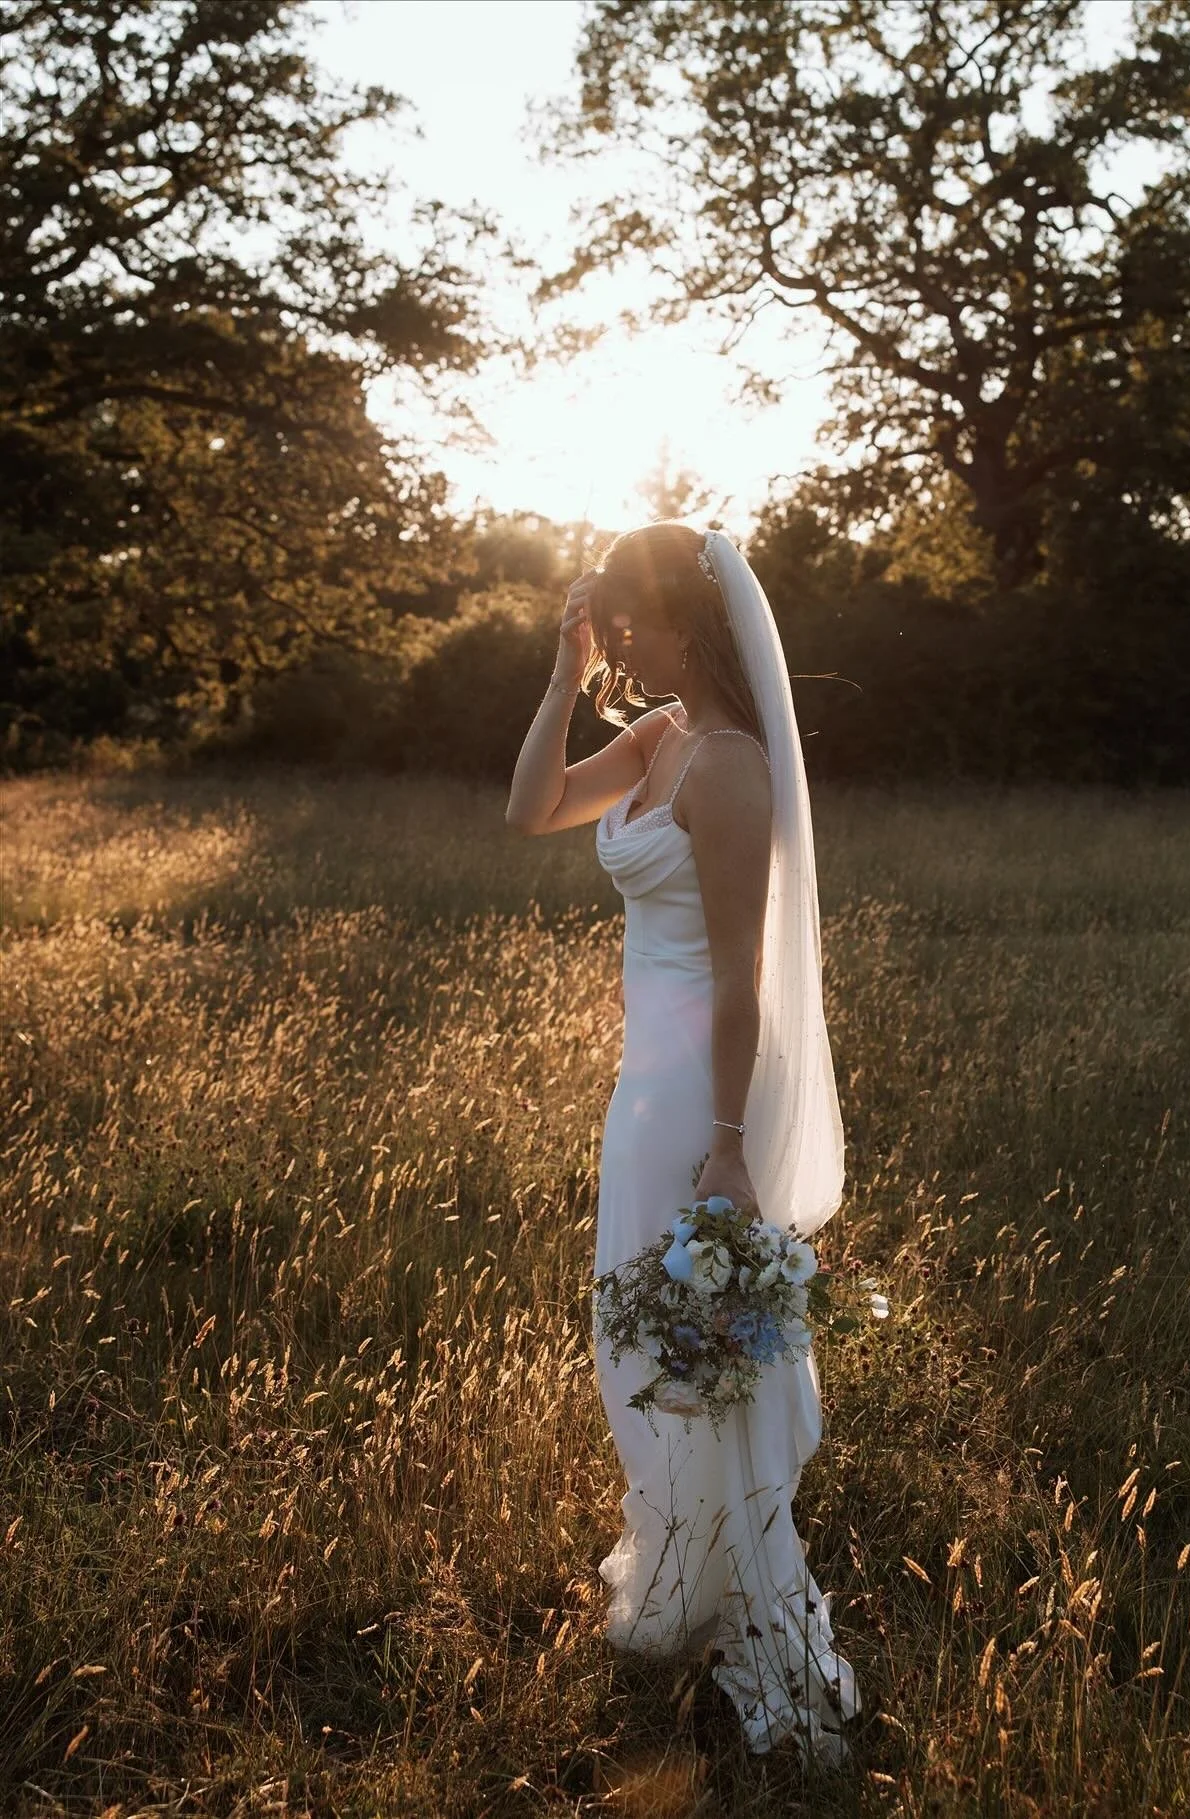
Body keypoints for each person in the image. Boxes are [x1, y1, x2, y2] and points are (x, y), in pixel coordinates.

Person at [505, 521, 861, 1765]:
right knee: (637, 1330)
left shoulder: (730, 769)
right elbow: (532, 807)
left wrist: (728, 1148)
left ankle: (750, 1611)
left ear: (690, 621)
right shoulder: (659, 737)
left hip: (703, 1103)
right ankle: (686, 1575)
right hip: (642, 1095)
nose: (623, 645)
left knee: (697, 1344)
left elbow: (742, 984)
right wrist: (564, 673)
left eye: (632, 622)